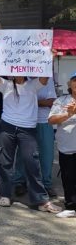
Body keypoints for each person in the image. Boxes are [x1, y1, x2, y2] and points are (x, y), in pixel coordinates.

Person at [0, 73, 60, 213]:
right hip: (6, 127)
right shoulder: (6, 84)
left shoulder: (32, 85)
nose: (17, 73)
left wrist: (48, 57)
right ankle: (4, 194)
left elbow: (44, 78)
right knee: (5, 162)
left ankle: (41, 200)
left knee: (32, 163)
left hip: (27, 129)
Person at [12, 75, 56, 197]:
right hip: (25, 122)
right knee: (22, 154)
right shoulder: (21, 77)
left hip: (44, 121)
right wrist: (41, 102)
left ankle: (46, 184)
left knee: (47, 155)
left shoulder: (48, 78)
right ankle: (20, 182)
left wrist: (31, 100)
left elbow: (52, 102)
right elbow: (17, 99)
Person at [47, 73, 76, 218]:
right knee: (68, 178)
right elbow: (51, 119)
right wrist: (68, 114)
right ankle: (71, 206)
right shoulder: (61, 100)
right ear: (69, 84)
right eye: (75, 80)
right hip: (67, 148)